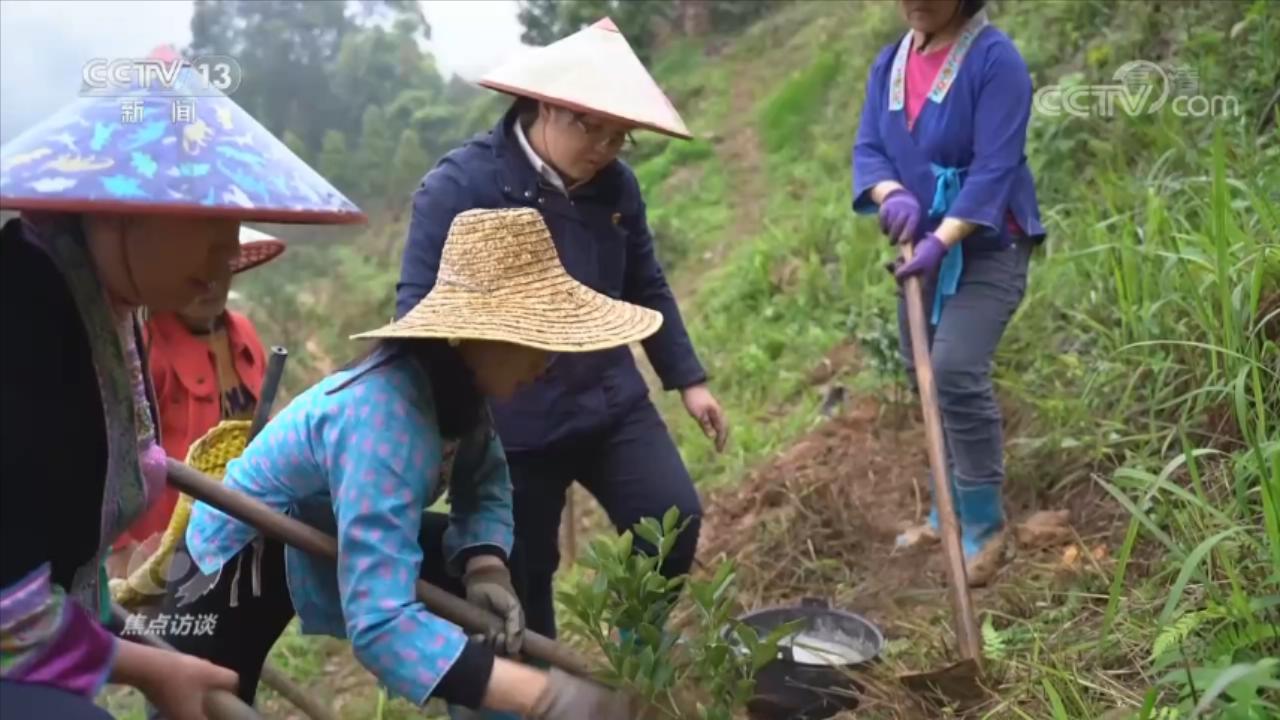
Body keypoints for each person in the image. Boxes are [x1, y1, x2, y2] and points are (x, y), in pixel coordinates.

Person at [156, 207, 670, 719]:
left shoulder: (457, 391)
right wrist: (544, 697)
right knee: (202, 699)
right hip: (232, 562)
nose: (547, 364)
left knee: (479, 578)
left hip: (316, 531)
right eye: (534, 344)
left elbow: (483, 478)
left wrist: (485, 566)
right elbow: (379, 621)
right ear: (471, 335)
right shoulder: (385, 421)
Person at [0, 47, 365, 719]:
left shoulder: (109, 310)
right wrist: (146, 667)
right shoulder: (20, 318)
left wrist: (135, 648)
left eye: (231, 222)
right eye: (204, 222)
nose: (227, 252)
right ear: (116, 211)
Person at [396, 17, 728, 650]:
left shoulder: (616, 189)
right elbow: (419, 310)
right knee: (523, 583)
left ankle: (633, 649)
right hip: (510, 424)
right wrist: (440, 421)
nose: (603, 146)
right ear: (544, 102)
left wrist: (688, 380)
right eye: (588, 125)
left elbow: (645, 282)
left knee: (672, 519)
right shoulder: (460, 187)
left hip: (608, 396)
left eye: (618, 135)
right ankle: (541, 691)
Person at [851, 0, 1045, 585]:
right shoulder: (890, 63)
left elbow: (995, 167)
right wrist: (893, 196)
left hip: (987, 246)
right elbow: (869, 149)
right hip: (922, 251)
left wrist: (946, 235)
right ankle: (946, 509)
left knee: (956, 368)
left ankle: (985, 524)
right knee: (924, 374)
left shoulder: (995, 61)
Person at [107, 226, 286, 581]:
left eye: (219, 269)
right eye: (194, 273)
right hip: (160, 533)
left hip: (232, 513)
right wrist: (120, 543)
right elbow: (116, 449)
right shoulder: (145, 348)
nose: (209, 285)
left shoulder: (244, 334)